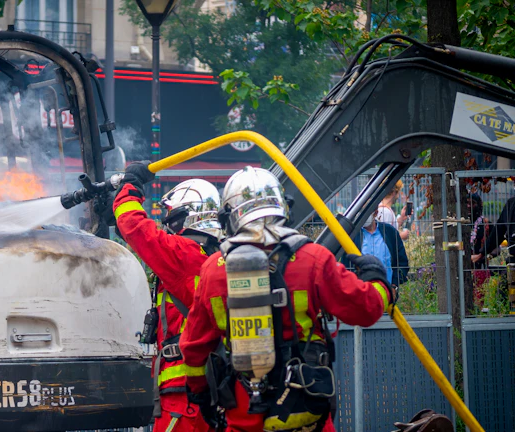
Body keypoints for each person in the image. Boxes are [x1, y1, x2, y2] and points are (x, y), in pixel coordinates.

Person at [180, 167, 395, 432]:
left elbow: (193, 349)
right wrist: (379, 282)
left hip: (244, 417)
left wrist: (200, 395)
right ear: (283, 208)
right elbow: (366, 309)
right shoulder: (312, 259)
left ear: (229, 217)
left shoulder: (213, 270)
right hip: (306, 412)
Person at [113, 162, 222, 432]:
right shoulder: (214, 257)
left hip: (183, 399)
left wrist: (130, 188)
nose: (169, 227)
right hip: (209, 390)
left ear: (190, 217)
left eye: (173, 220)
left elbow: (135, 227)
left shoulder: (185, 253)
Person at [344, 208, 409, 287]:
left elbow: (402, 262)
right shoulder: (353, 236)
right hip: (361, 292)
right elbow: (346, 266)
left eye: (366, 212)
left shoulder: (389, 232)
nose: (362, 216)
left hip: (387, 291)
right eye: (360, 212)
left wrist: (394, 285)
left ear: (375, 213)